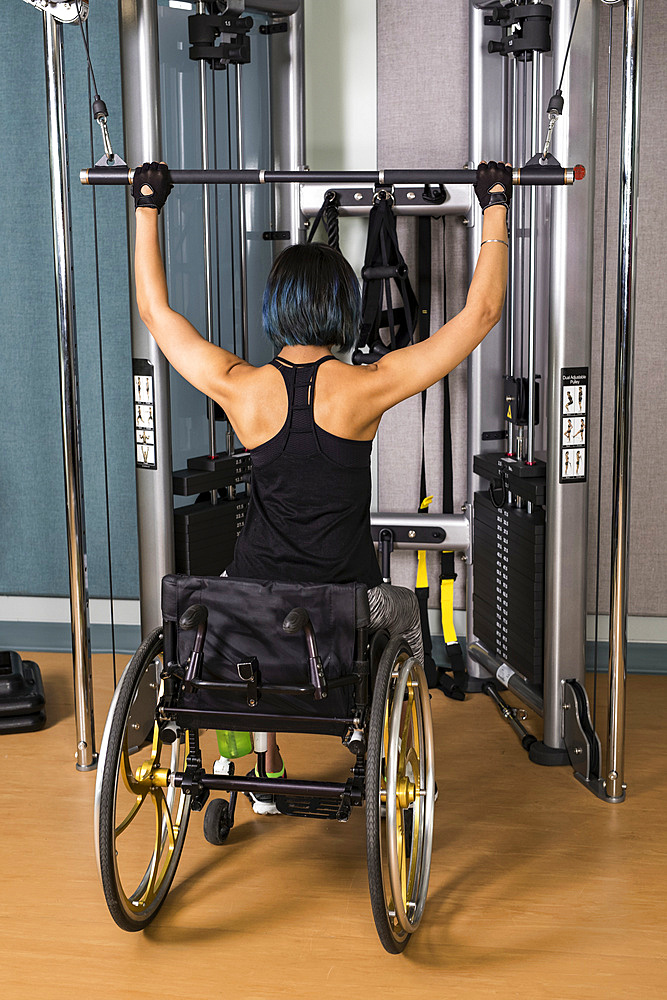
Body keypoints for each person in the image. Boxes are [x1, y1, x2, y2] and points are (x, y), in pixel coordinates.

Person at [132, 159, 512, 811]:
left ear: (275, 307)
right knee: (402, 609)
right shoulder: (367, 386)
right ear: (344, 308)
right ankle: (388, 750)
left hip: (253, 598)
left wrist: (146, 207)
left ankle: (261, 771)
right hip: (343, 608)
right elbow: (479, 315)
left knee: (230, 613)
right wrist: (495, 204)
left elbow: (155, 310)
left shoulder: (237, 384)